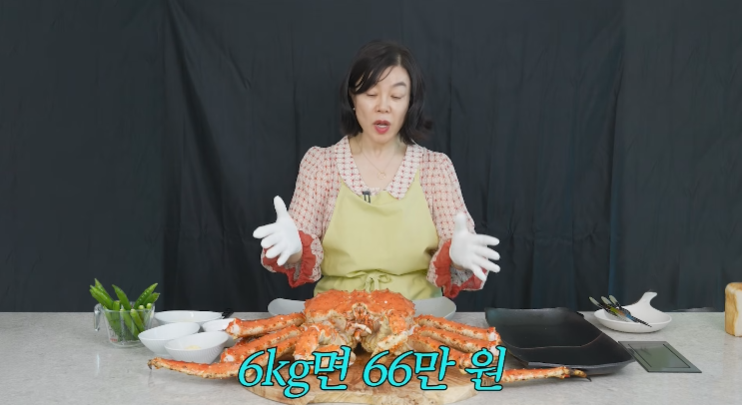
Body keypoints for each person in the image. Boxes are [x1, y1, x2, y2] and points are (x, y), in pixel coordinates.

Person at [253, 40, 500, 300]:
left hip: (418, 313)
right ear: (352, 98)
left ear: (410, 102)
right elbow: (296, 247)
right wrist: (292, 248)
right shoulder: (321, 165)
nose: (383, 106)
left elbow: (458, 243)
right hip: (336, 313)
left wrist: (458, 257)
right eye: (371, 94)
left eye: (396, 96)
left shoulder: (435, 169)